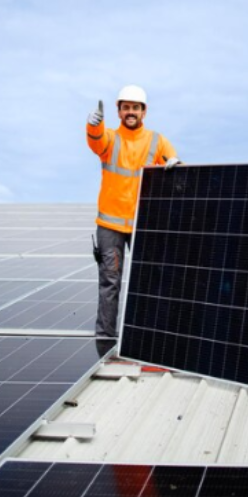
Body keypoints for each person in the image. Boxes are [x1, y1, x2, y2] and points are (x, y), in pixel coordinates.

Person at [87, 85, 181, 338]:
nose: (131, 112)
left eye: (135, 108)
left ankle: (145, 343)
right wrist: (93, 126)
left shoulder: (156, 140)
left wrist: (176, 165)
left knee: (148, 283)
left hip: (144, 225)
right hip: (110, 226)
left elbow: (175, 162)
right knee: (110, 283)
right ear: (118, 111)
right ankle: (105, 340)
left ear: (144, 111)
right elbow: (96, 142)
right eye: (126, 107)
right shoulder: (109, 138)